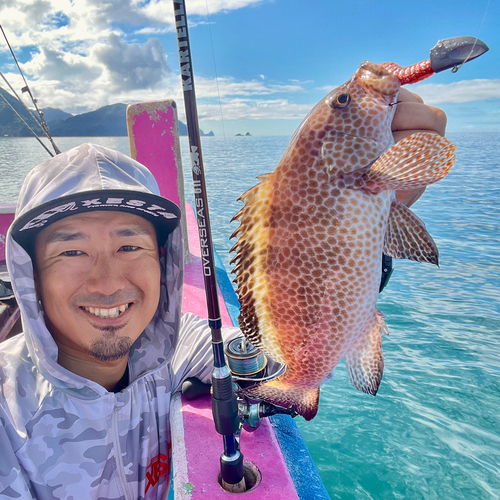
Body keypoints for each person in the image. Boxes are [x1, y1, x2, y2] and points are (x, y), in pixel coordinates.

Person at [0, 90, 446, 499]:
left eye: (129, 246)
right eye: (72, 250)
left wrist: (366, 234)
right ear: (30, 272)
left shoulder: (181, 347)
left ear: (164, 260)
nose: (107, 281)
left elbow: (277, 363)